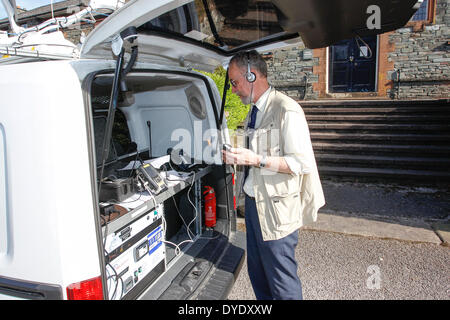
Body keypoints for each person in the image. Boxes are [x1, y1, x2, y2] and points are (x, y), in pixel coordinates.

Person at [222, 50, 325, 300]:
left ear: (251, 75)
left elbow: (300, 163)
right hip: (256, 206)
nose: (233, 90)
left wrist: (255, 159)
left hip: (277, 211)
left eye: (235, 82)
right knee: (259, 275)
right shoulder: (255, 111)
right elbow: (259, 148)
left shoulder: (286, 109)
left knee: (281, 280)